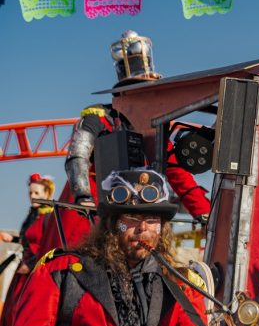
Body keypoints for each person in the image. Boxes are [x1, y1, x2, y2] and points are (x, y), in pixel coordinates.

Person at [8, 169, 221, 326]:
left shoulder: (181, 284)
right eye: (131, 218)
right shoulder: (61, 269)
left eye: (152, 220)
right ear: (112, 223)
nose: (143, 229)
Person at [39, 30, 212, 255]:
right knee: (80, 267)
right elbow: (77, 157)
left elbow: (177, 173)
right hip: (94, 216)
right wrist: (84, 198)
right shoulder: (98, 117)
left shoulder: (154, 128)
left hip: (140, 217)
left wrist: (205, 214)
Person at [0, 173, 57, 326]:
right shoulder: (34, 214)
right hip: (21, 274)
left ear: (47, 194)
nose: (32, 197)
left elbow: (46, 247)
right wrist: (11, 239)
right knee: (9, 323)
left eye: (36, 193)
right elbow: (27, 240)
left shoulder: (49, 217)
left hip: (32, 276)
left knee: (20, 321)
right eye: (30, 193)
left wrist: (31, 265)